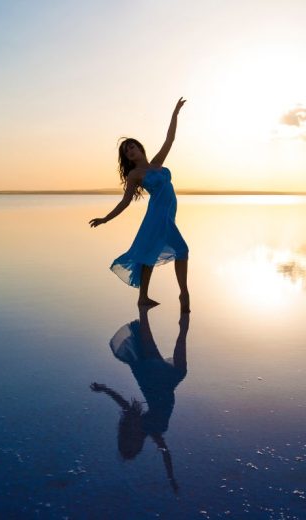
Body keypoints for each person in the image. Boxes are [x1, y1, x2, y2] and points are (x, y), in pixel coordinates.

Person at [89, 97, 190, 313]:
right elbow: (125, 202)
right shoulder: (135, 174)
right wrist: (105, 218)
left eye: (132, 147)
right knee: (177, 250)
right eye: (127, 151)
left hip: (167, 216)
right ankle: (182, 293)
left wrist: (175, 114)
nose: (130, 151)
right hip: (157, 216)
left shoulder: (157, 164)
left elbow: (169, 140)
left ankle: (144, 298)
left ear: (140, 148)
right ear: (127, 158)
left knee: (150, 255)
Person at [90, 307, 189, 494]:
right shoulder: (147, 428)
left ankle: (179, 324)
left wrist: (104, 389)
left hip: (159, 385)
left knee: (174, 367)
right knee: (151, 352)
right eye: (134, 447)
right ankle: (144, 309)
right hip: (154, 384)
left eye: (131, 444)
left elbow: (122, 402)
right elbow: (165, 453)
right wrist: (170, 477)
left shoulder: (146, 427)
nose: (135, 444)